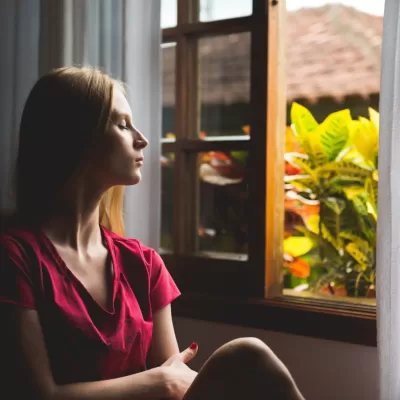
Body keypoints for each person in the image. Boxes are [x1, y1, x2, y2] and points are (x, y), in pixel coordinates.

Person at [0, 66, 305, 400]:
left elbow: (176, 383)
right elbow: (37, 394)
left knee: (249, 355)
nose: (142, 139)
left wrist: (168, 382)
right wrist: (158, 382)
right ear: (76, 135)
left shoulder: (142, 264)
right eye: (122, 124)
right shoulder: (15, 257)